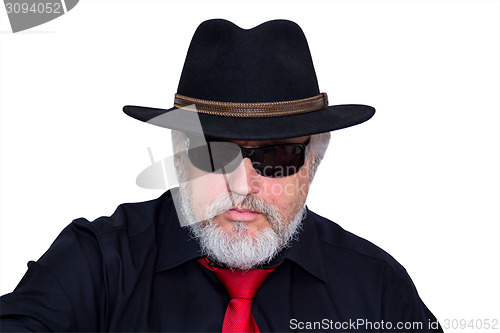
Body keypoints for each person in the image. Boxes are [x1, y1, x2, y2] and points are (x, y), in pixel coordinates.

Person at [0, 19, 443, 332]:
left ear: (313, 162)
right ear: (178, 153)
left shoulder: (376, 289)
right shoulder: (98, 264)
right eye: (214, 153)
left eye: (276, 156)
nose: (242, 185)